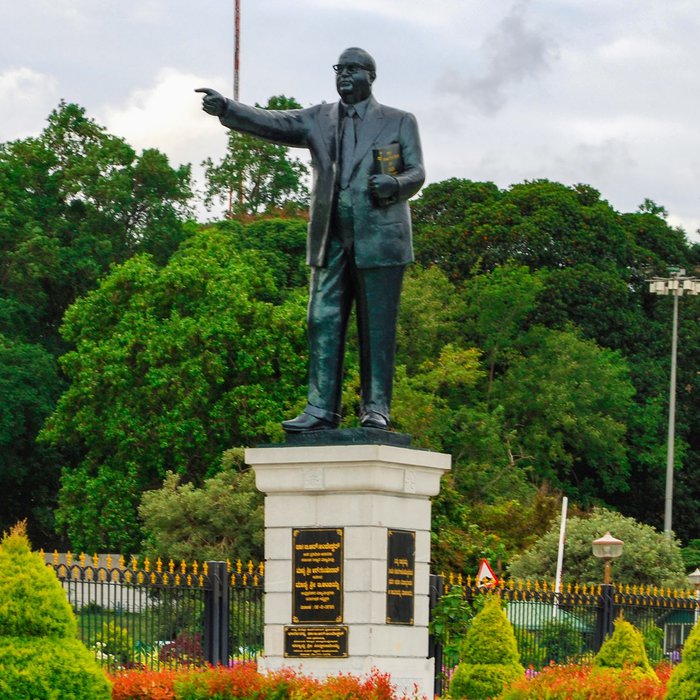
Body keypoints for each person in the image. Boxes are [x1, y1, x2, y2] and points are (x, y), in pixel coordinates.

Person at [196, 47, 425, 432]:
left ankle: (375, 408)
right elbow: (274, 122)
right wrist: (228, 109)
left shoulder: (399, 121)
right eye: (339, 68)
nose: (343, 74)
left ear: (371, 76)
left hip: (381, 239)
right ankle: (321, 408)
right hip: (330, 238)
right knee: (321, 319)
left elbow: (416, 172)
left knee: (377, 329)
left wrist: (395, 183)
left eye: (352, 68)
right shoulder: (319, 118)